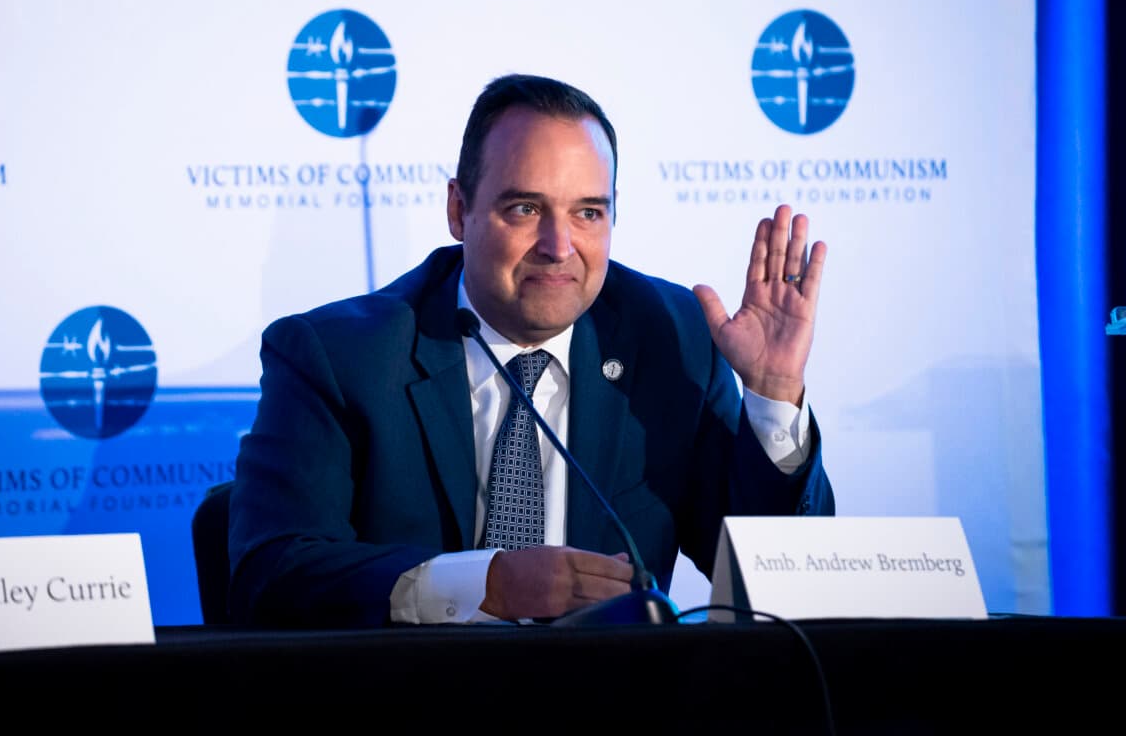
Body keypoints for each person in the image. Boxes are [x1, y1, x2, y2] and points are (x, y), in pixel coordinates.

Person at [227, 73, 834, 628]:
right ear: (458, 210)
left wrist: (775, 394)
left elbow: (772, 577)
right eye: (525, 208)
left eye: (588, 212)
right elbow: (271, 572)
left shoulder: (671, 337)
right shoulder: (339, 356)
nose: (559, 245)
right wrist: (481, 585)